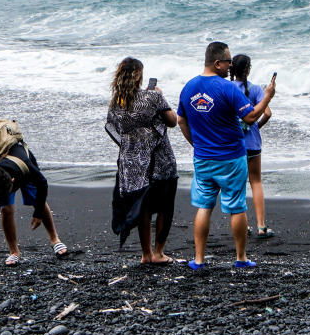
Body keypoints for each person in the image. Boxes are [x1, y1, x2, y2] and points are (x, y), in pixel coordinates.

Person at [177, 40, 273, 271]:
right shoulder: (226, 87)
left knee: (204, 206)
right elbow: (250, 118)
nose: (230, 66)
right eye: (228, 61)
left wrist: (196, 143)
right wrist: (267, 96)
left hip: (203, 157)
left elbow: (181, 120)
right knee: (236, 206)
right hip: (230, 156)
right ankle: (241, 258)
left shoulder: (189, 87)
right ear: (217, 62)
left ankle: (199, 260)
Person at [106, 57, 180, 263]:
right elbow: (172, 121)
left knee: (143, 205)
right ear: (139, 76)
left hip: (132, 160)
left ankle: (146, 254)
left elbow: (115, 129)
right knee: (165, 204)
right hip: (159, 157)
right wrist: (159, 97)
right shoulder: (152, 97)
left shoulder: (116, 102)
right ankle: (159, 253)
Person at [0, 118, 67, 261]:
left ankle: (55, 239)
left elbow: (42, 184)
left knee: (37, 200)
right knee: (5, 210)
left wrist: (38, 214)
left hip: (22, 168)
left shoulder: (26, 166)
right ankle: (14, 252)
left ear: (12, 181)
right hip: (5, 175)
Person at [230, 53, 274, 238]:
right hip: (253, 143)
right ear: (248, 70)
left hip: (233, 143)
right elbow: (268, 113)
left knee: (237, 184)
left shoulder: (228, 87)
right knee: (255, 182)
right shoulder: (255, 90)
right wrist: (256, 127)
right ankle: (261, 226)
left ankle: (241, 225)